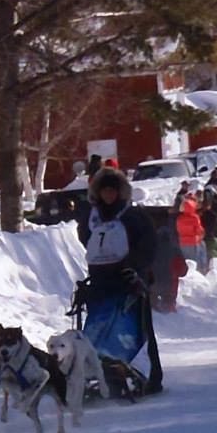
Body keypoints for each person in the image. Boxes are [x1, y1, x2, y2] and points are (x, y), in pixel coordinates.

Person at [77, 167, 163, 394]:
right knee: (99, 323)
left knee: (139, 327)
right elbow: (88, 241)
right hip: (101, 280)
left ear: (120, 192)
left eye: (112, 191)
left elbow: (148, 244)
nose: (108, 195)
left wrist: (135, 266)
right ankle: (101, 368)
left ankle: (150, 376)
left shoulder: (133, 215)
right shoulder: (92, 217)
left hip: (131, 278)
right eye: (104, 191)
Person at [176, 184, 208, 274]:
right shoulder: (194, 217)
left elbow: (178, 230)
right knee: (195, 262)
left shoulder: (179, 218)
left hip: (182, 241)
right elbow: (199, 230)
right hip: (193, 241)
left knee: (187, 262)